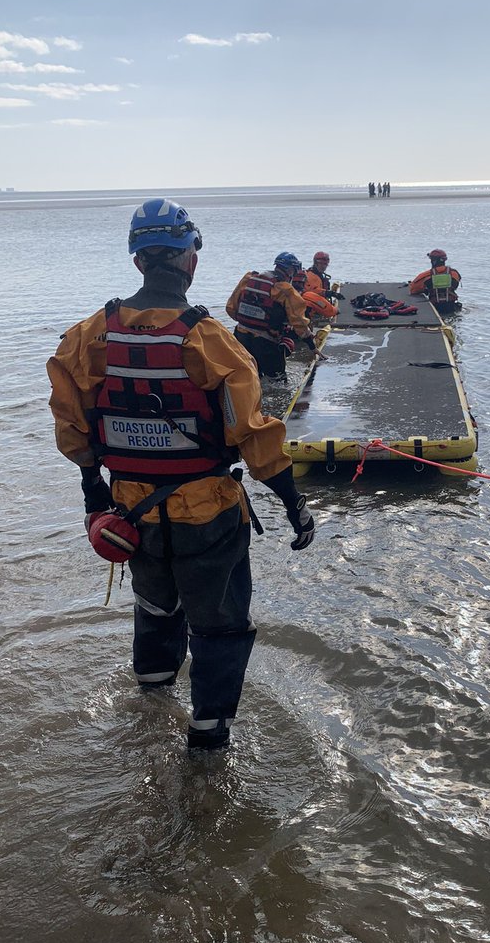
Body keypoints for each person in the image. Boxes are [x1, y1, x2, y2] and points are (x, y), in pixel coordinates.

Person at [46, 198, 316, 753]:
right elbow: (256, 439)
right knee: (220, 625)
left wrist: (95, 499)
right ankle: (209, 741)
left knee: (154, 606)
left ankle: (149, 708)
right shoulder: (213, 342)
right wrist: (294, 505)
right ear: (191, 258)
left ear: (138, 261)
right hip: (208, 513)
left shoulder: (86, 338)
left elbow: (74, 433)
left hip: (131, 515)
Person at [225, 252, 315, 379]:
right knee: (277, 381)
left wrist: (248, 322)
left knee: (249, 377)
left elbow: (230, 308)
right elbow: (298, 321)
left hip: (240, 337)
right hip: (266, 342)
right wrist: (311, 344)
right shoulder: (285, 289)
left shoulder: (249, 279)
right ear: (290, 270)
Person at [409, 248, 462, 315]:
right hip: (451, 306)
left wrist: (425, 290)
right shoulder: (454, 273)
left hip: (435, 306)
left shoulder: (426, 275)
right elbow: (456, 285)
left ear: (433, 261)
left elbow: (413, 290)